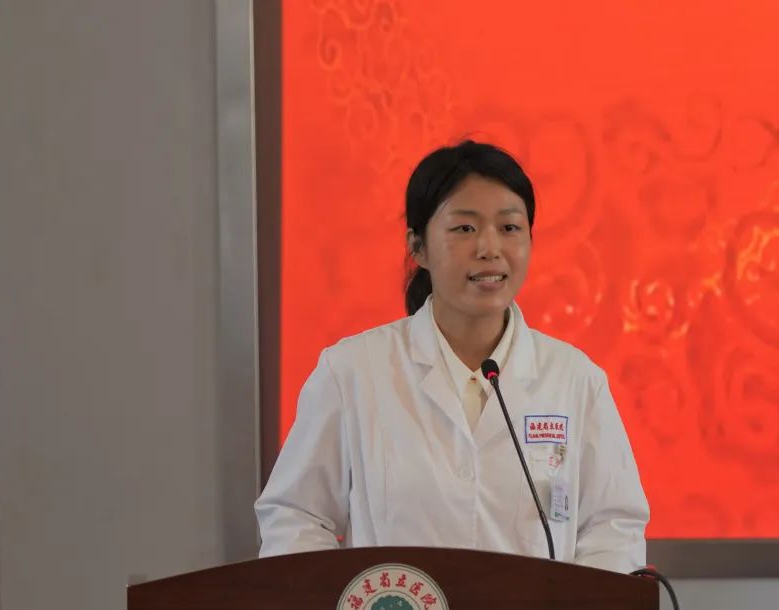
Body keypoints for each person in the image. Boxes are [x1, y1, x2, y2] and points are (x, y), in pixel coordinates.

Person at [254, 140, 649, 573]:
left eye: (509, 227)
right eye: (464, 228)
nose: (489, 248)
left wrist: (583, 608)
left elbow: (612, 527)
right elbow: (297, 518)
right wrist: (340, 606)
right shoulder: (352, 372)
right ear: (418, 247)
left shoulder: (574, 379)